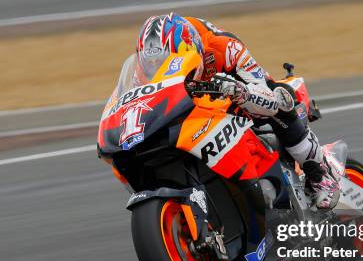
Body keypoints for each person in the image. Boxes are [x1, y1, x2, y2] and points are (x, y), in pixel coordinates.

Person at [136, 13, 340, 209]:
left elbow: (268, 95)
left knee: (281, 97)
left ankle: (320, 175)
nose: (158, 69)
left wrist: (240, 92)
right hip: (197, 106)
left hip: (240, 91)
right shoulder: (143, 68)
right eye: (152, 65)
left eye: (167, 63)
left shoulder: (223, 46)